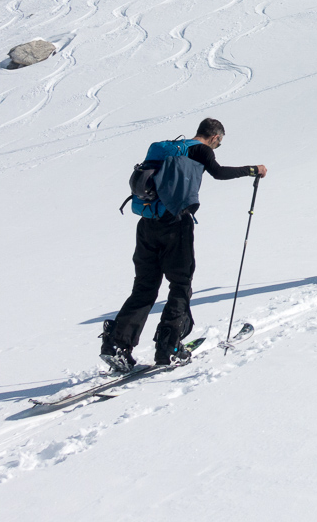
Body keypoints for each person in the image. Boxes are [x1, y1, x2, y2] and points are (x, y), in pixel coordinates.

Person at [101, 118, 265, 371]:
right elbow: (219, 173)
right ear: (214, 137)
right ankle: (169, 347)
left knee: (144, 287)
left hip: (146, 223)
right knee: (180, 284)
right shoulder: (201, 149)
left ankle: (117, 345)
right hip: (175, 225)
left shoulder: (166, 148)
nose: (217, 147)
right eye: (219, 143)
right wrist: (253, 170)